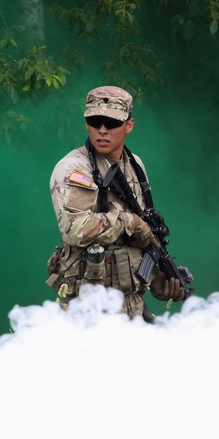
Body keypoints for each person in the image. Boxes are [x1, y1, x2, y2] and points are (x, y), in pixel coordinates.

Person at [46, 85, 186, 321]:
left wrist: (156, 279)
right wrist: (130, 222)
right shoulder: (74, 168)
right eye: (94, 121)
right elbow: (74, 229)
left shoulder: (135, 165)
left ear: (128, 125)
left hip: (130, 302)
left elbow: (133, 243)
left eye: (111, 123)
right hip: (89, 307)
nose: (102, 130)